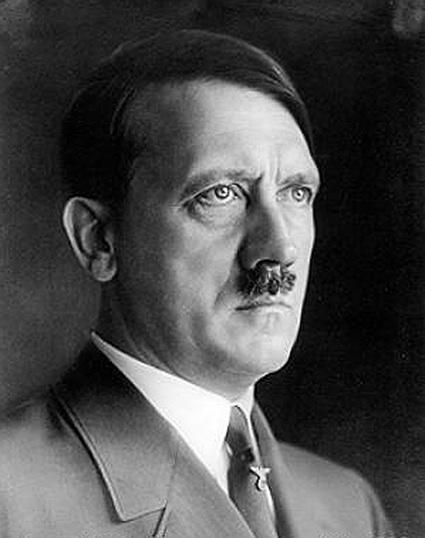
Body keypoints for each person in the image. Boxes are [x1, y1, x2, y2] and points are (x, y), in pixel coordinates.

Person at [0, 30, 393, 537]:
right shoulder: (10, 497)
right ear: (99, 240)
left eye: (295, 192)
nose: (280, 248)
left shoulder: (349, 507)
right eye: (221, 194)